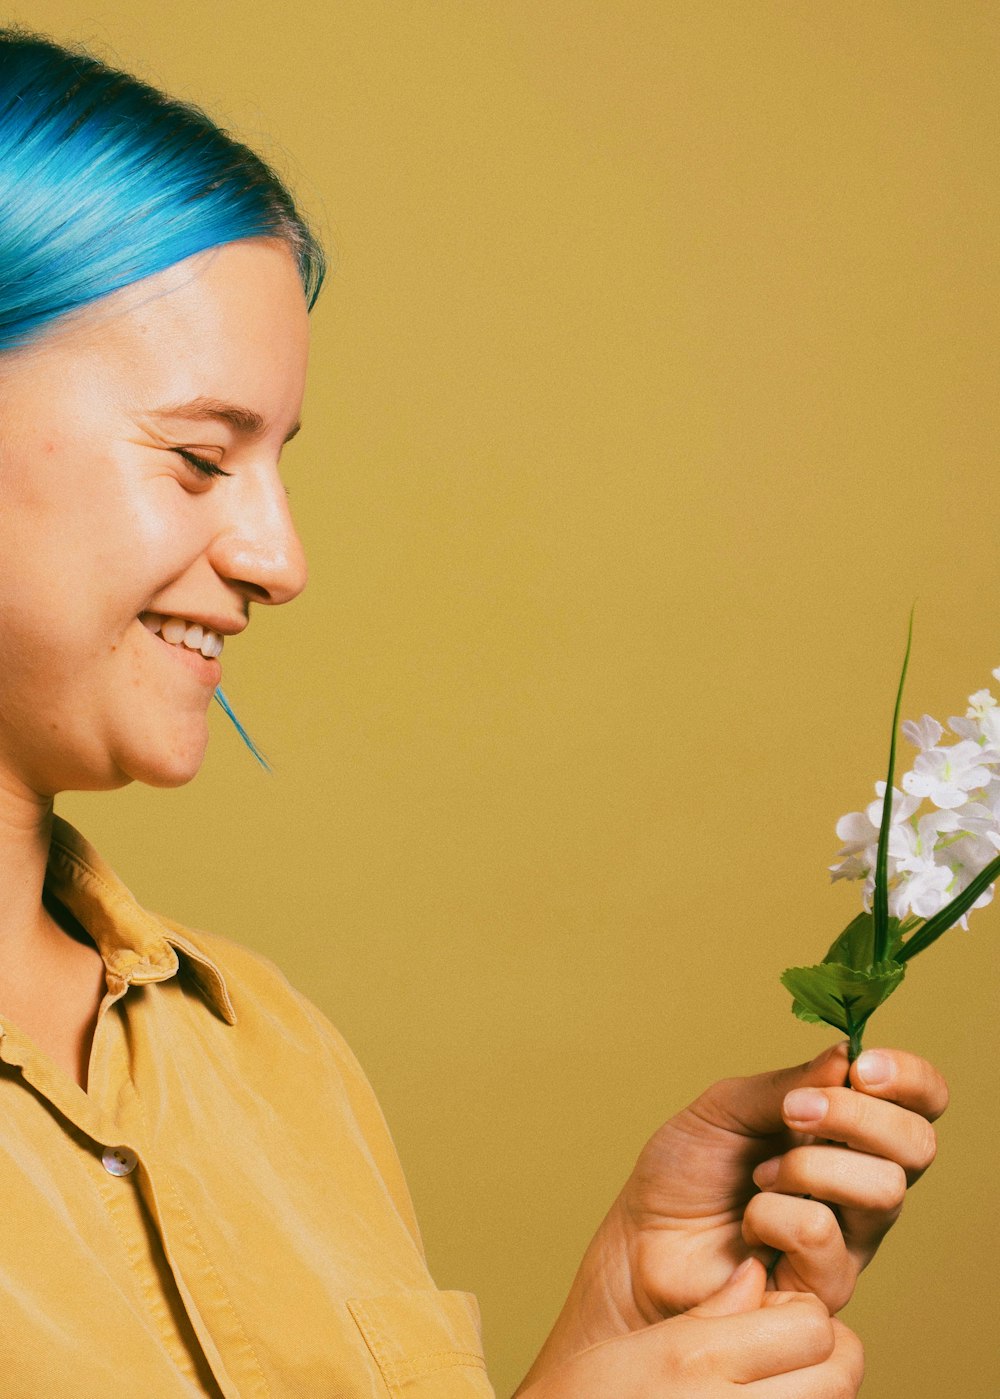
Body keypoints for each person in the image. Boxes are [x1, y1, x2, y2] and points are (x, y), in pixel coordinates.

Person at [0, 28, 947, 1398]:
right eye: (201, 459)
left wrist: (601, 1342)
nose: (281, 559)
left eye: (277, 463)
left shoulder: (267, 1048)